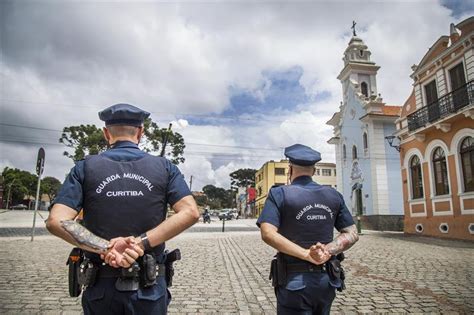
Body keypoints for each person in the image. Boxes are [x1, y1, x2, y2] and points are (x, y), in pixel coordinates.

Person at [46, 103, 200, 314]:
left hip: (101, 289)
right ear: (141, 132)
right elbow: (190, 212)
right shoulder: (164, 167)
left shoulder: (84, 168)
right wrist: (140, 243)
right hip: (149, 289)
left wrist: (106, 248)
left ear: (106, 132)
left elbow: (56, 221)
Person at [257, 144, 359, 314]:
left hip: (294, 283)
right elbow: (352, 233)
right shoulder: (334, 195)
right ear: (313, 170)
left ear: (290, 170)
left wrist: (306, 254)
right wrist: (326, 251)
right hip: (326, 281)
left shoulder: (279, 194)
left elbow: (267, 233)